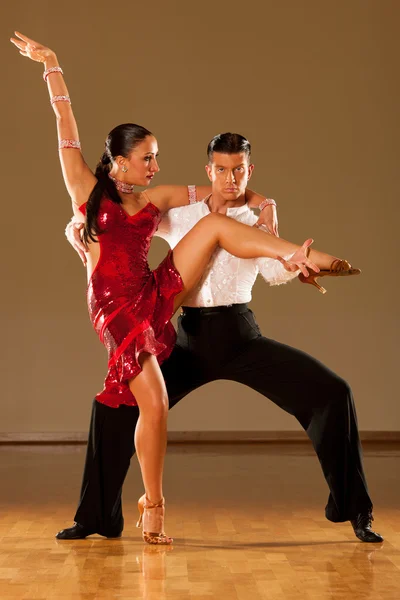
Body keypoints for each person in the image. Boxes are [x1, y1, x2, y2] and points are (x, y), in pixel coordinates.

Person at [11, 32, 329, 545]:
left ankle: (292, 254)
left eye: (157, 158)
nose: (156, 167)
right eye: (147, 158)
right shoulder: (85, 189)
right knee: (154, 405)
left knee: (213, 227)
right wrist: (52, 66)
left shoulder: (154, 199)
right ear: (119, 161)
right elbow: (63, 128)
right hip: (115, 311)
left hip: (152, 292)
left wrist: (258, 199)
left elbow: (219, 193)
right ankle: (153, 506)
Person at [63, 130, 381, 544]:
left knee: (333, 392)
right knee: (114, 409)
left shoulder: (257, 220)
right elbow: (120, 223)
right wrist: (77, 228)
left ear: (250, 172)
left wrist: (291, 262)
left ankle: (355, 510)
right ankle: (95, 518)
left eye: (239, 171)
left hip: (240, 338)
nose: (231, 180)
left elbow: (270, 270)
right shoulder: (181, 214)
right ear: (209, 171)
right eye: (223, 170)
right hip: (185, 341)